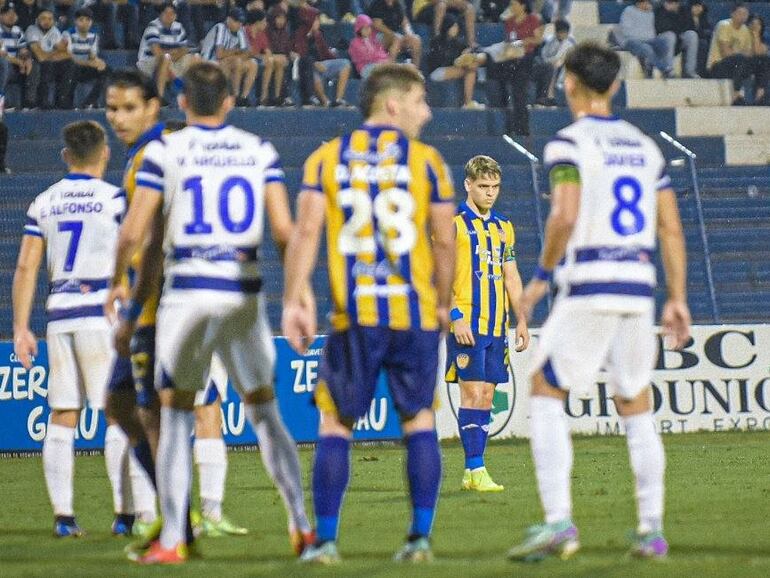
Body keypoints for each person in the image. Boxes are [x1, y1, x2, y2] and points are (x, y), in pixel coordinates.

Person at [107, 61, 313, 564]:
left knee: (176, 416)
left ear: (180, 103)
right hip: (241, 291)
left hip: (186, 292)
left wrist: (119, 285)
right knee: (264, 412)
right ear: (228, 102)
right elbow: (287, 231)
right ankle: (303, 527)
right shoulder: (257, 150)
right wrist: (298, 292)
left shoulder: (164, 151)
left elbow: (138, 234)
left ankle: (174, 539)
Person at [506, 42, 691, 562]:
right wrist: (676, 297)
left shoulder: (569, 144)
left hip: (589, 283)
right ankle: (651, 530)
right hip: (637, 287)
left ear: (568, 83)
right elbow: (671, 228)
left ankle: (558, 522)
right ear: (614, 86)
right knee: (636, 403)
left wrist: (541, 276)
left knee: (545, 389)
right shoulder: (645, 148)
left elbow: (564, 215)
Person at [282, 63, 456, 564]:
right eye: (421, 101)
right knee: (419, 421)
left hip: (354, 316)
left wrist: (294, 298)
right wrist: (443, 302)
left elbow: (306, 232)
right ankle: (420, 539)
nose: (427, 112)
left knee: (335, 425)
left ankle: (328, 543)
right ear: (392, 103)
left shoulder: (325, 160)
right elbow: (444, 240)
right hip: (415, 315)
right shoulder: (427, 163)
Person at [103, 68, 247, 548]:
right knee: (122, 403)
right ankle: (178, 520)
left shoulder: (152, 154)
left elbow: (142, 238)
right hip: (182, 300)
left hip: (163, 305)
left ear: (152, 106)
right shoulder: (147, 154)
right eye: (111, 107)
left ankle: (177, 528)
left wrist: (126, 298)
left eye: (128, 107)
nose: (117, 117)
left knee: (157, 416)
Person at [11, 121, 131, 537]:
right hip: (102, 314)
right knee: (116, 415)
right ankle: (124, 517)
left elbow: (26, 266)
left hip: (60, 314)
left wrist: (21, 327)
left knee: (63, 414)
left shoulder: (44, 202)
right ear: (105, 154)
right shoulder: (116, 199)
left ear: (66, 156)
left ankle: (64, 518)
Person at [445, 155, 529, 493]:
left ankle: (473, 472)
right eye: (483, 186)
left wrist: (521, 318)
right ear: (468, 184)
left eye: (494, 187)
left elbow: (511, 275)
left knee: (487, 394)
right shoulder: (453, 225)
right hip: (467, 321)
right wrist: (454, 315)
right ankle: (475, 468)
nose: (490, 193)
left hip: (497, 326)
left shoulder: (504, 227)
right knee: (473, 391)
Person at [490, 0, 543, 134]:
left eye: (514, 4)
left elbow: (538, 39)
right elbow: (508, 41)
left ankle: (522, 128)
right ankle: (509, 126)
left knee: (519, 93)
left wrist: (524, 42)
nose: (512, 7)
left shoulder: (532, 19)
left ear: (523, 6)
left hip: (526, 59)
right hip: (511, 58)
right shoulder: (509, 21)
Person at [707, 3, 769, 105]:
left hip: (738, 66)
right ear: (732, 14)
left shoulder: (745, 30)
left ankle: (760, 94)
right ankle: (736, 94)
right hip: (718, 66)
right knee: (740, 58)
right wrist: (742, 53)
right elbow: (726, 53)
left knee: (764, 59)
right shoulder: (724, 25)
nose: (742, 16)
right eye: (739, 13)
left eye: (745, 14)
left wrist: (755, 34)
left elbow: (754, 53)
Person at [136, 1, 198, 102]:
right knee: (165, 58)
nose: (169, 16)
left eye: (172, 13)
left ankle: (194, 97)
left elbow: (184, 49)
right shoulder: (153, 27)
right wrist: (172, 53)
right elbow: (157, 53)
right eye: (166, 13)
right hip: (148, 64)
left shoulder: (178, 27)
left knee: (195, 58)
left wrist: (173, 54)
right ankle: (159, 98)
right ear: (160, 14)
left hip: (171, 60)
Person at [293, 7, 350, 107]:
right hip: (309, 67)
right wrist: (315, 64)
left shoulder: (318, 34)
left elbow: (326, 53)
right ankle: (325, 101)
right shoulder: (300, 34)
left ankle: (339, 99)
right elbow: (302, 56)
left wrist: (334, 57)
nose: (318, 22)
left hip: (322, 64)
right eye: (315, 20)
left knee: (345, 63)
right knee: (311, 72)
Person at [426, 15, 485, 109]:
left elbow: (470, 50)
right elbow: (440, 61)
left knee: (471, 68)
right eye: (454, 26)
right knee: (470, 70)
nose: (456, 29)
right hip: (437, 72)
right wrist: (457, 60)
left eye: (456, 27)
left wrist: (466, 52)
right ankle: (467, 103)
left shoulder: (457, 42)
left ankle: (468, 102)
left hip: (450, 70)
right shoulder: (436, 41)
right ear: (447, 26)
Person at [202, 8, 257, 106]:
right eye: (236, 21)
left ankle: (243, 97)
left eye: (240, 22)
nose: (239, 24)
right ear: (229, 19)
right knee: (237, 61)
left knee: (253, 64)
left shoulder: (240, 30)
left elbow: (248, 53)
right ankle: (235, 96)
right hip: (210, 61)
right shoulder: (221, 27)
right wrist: (236, 51)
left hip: (227, 61)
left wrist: (234, 54)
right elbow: (219, 54)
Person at [25, 8, 75, 109]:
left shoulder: (54, 30)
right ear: (37, 20)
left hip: (50, 63)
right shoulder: (32, 30)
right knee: (47, 65)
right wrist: (56, 52)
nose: (47, 21)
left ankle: (62, 101)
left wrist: (52, 54)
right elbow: (40, 57)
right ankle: (42, 103)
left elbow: (67, 54)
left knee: (70, 64)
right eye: (43, 18)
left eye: (50, 19)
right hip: (35, 63)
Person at [615, 0, 674, 78]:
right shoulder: (629, 10)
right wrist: (644, 38)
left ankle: (660, 66)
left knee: (667, 38)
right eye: (646, 2)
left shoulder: (651, 13)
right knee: (647, 48)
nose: (648, 4)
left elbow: (652, 33)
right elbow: (626, 32)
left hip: (650, 40)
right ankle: (665, 69)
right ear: (639, 3)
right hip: (631, 41)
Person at [63, 8, 108, 108]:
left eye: (88, 20)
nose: (85, 23)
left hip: (83, 67)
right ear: (75, 21)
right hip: (70, 67)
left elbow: (92, 56)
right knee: (72, 67)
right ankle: (67, 103)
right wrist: (89, 63)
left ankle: (89, 102)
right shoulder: (68, 34)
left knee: (106, 70)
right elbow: (70, 57)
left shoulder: (94, 35)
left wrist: (99, 63)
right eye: (81, 20)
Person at [245, 9, 287, 106]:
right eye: (264, 21)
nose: (266, 24)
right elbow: (248, 52)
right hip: (248, 59)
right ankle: (263, 97)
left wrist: (272, 57)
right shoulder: (245, 31)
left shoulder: (261, 34)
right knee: (269, 61)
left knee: (278, 61)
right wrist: (263, 56)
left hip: (259, 59)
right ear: (257, 22)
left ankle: (277, 97)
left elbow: (268, 52)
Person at [0, 3, 37, 110]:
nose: (11, 16)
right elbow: (2, 54)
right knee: (3, 63)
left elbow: (23, 50)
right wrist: (18, 61)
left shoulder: (17, 30)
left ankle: (29, 103)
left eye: (14, 13)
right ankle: (2, 100)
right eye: (7, 13)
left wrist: (26, 59)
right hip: (5, 63)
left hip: (14, 64)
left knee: (33, 63)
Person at [531, 18, 575, 106]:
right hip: (548, 64)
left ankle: (551, 96)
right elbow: (544, 54)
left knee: (556, 67)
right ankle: (544, 97)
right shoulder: (550, 40)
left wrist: (555, 62)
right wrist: (549, 61)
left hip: (562, 66)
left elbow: (561, 58)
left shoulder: (569, 43)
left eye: (564, 33)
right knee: (545, 66)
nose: (561, 35)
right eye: (559, 32)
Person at [366, 0, 422, 69]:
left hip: (394, 36)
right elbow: (377, 24)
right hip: (376, 37)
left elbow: (405, 22)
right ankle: (391, 70)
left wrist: (409, 33)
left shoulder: (398, 4)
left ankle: (415, 72)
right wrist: (393, 34)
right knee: (397, 38)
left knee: (416, 39)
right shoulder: (377, 3)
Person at [654, 0, 699, 78]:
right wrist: (668, 12)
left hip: (678, 41)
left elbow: (690, 26)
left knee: (692, 35)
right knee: (670, 35)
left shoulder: (683, 10)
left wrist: (675, 13)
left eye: (676, 3)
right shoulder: (659, 10)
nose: (674, 4)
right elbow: (660, 28)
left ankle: (689, 72)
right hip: (662, 43)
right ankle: (668, 70)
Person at [266, 5, 294, 106]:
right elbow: (267, 48)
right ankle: (280, 96)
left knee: (289, 62)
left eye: (283, 18)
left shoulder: (285, 32)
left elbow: (287, 47)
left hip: (283, 58)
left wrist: (290, 53)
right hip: (270, 57)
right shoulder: (267, 30)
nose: (280, 21)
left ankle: (285, 96)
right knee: (281, 62)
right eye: (278, 18)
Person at [349, 14, 391, 79]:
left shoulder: (374, 39)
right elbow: (367, 56)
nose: (368, 30)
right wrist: (381, 60)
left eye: (369, 27)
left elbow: (382, 53)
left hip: (379, 64)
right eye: (365, 28)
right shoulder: (355, 43)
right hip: (365, 67)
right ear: (359, 29)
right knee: (384, 67)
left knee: (398, 68)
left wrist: (384, 60)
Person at [690, 0, 712, 77]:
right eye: (695, 6)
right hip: (689, 40)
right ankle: (697, 71)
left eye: (699, 6)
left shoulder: (704, 17)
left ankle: (704, 70)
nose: (697, 8)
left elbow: (708, 30)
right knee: (702, 43)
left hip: (701, 40)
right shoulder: (685, 15)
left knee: (705, 42)